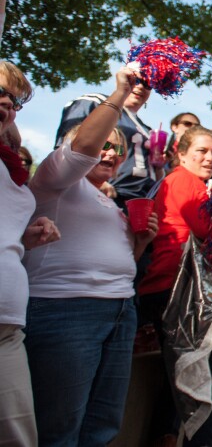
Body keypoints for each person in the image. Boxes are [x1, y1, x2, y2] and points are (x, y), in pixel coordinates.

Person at [23, 66, 158, 445]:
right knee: (58, 427)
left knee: (102, 424)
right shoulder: (54, 179)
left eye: (118, 148)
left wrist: (141, 244)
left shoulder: (110, 202)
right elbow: (83, 146)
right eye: (105, 144)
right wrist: (118, 95)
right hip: (66, 310)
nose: (111, 153)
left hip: (119, 311)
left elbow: (124, 262)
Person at [137, 124, 212, 447]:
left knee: (179, 384)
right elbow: (207, 230)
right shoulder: (185, 181)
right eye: (202, 150)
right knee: (197, 384)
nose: (210, 157)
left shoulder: (191, 183)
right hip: (176, 288)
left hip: (178, 288)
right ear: (181, 154)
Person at [0, 60, 61, 445]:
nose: (5, 102)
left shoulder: (8, 168)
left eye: (12, 98)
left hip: (7, 327)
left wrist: (24, 238)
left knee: (21, 438)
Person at [54, 77, 159, 206]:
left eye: (148, 84)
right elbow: (66, 144)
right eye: (136, 80)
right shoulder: (97, 102)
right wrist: (93, 181)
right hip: (107, 192)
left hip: (139, 201)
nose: (141, 86)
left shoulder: (146, 129)